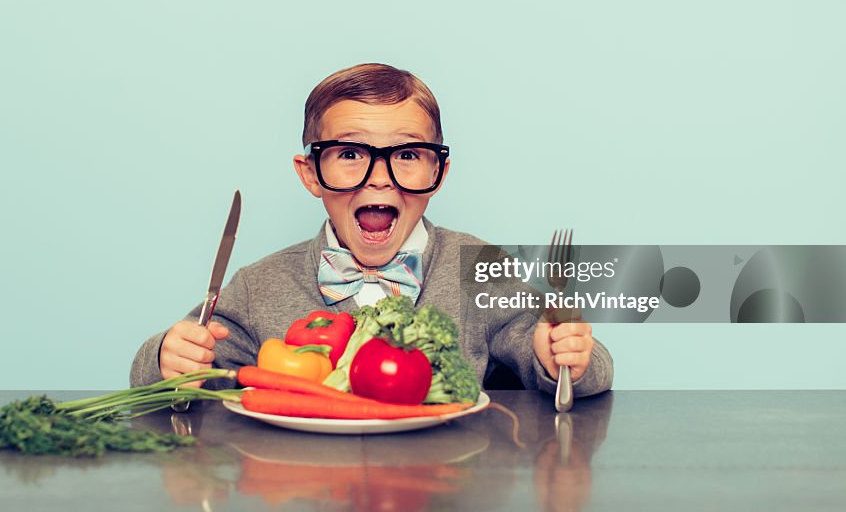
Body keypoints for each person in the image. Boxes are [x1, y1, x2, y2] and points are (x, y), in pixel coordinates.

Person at [130, 63, 613, 396]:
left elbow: (579, 365)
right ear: (310, 173)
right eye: (350, 155)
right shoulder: (259, 286)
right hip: (303, 485)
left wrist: (563, 357)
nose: (380, 177)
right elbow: (177, 365)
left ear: (438, 173)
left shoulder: (480, 269)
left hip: (446, 484)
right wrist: (166, 361)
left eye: (406, 155)